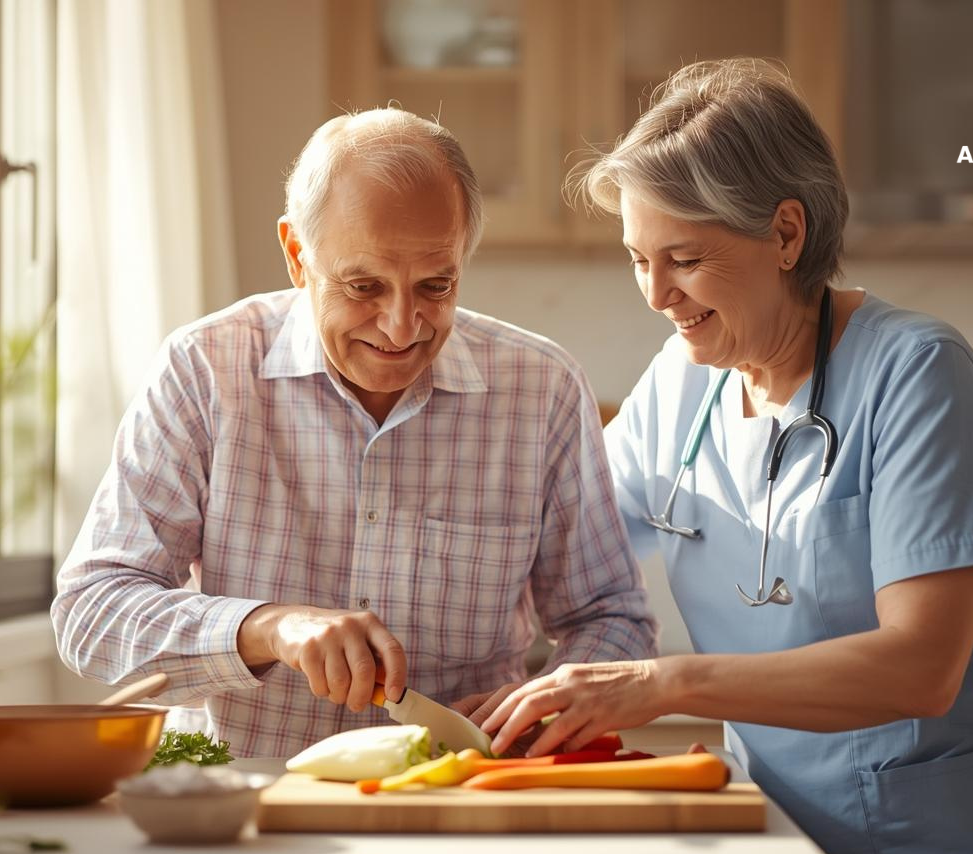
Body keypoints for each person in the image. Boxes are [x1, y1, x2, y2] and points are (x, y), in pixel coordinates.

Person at [478, 59, 973, 854]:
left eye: (684, 258)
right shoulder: (679, 383)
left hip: (956, 853)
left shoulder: (919, 374)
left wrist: (666, 684)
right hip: (785, 842)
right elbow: (558, 552)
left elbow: (922, 666)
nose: (656, 293)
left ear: (785, 235)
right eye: (637, 259)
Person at [53, 108, 658, 757]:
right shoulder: (205, 369)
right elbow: (92, 614)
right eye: (363, 285)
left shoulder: (541, 390)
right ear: (296, 255)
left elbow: (613, 621)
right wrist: (265, 628)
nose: (401, 327)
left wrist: (547, 702)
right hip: (243, 802)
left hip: (460, 799)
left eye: (436, 285)